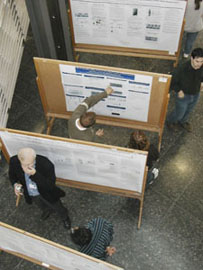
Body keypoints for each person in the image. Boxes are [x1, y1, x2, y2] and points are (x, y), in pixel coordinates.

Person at [9, 148, 71, 229]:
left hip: (47, 193)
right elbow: (12, 176)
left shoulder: (46, 164)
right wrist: (15, 184)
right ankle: (47, 210)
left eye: (30, 164)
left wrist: (34, 174)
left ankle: (65, 217)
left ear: (34, 158)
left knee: (57, 206)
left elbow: (49, 185)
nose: (28, 167)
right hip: (31, 193)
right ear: (19, 160)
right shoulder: (14, 161)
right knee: (39, 204)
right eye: (25, 165)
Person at [167, 47, 203, 132]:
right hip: (183, 95)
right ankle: (170, 121)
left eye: (202, 62)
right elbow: (172, 81)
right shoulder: (181, 68)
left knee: (189, 110)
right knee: (179, 113)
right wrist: (178, 90)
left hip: (196, 93)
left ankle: (183, 122)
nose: (199, 64)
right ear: (191, 58)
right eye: (197, 61)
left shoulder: (202, 66)